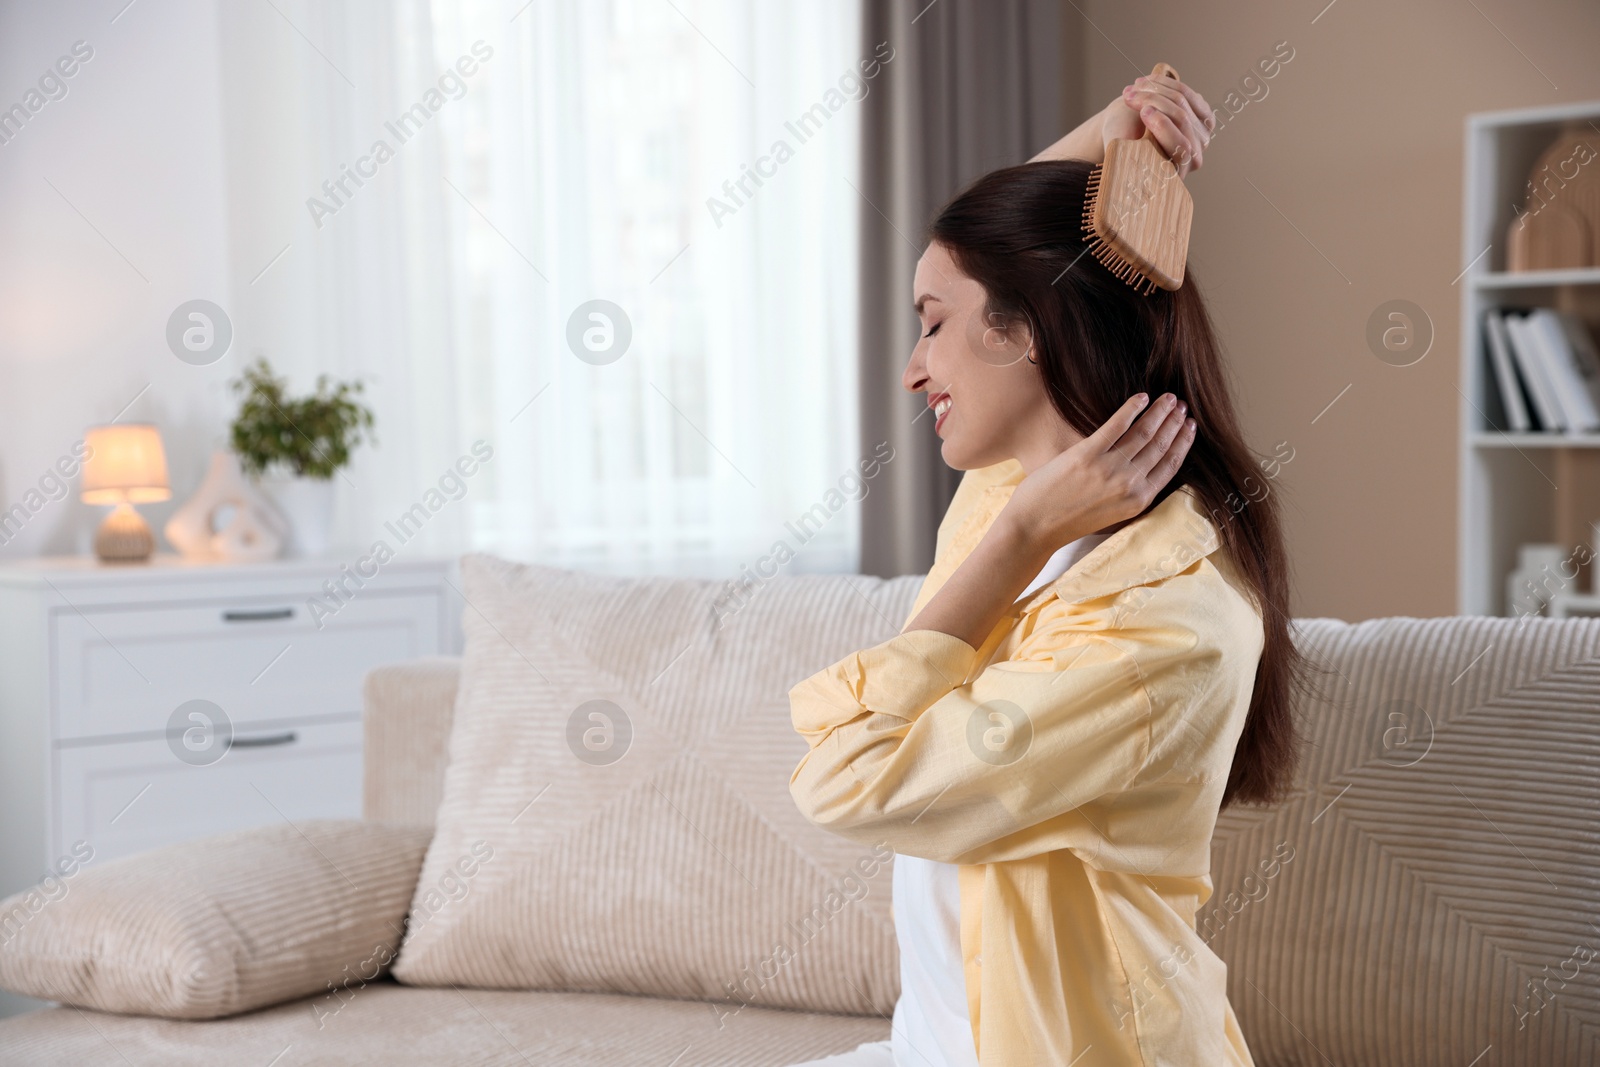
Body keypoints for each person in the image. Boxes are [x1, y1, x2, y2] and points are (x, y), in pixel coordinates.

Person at [785, 72, 1304, 1066]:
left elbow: (843, 775)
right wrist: (1113, 134)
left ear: (1024, 328)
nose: (911, 368)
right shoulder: (1019, 486)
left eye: (931, 321)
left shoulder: (1164, 621)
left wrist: (1018, 536)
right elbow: (1020, 252)